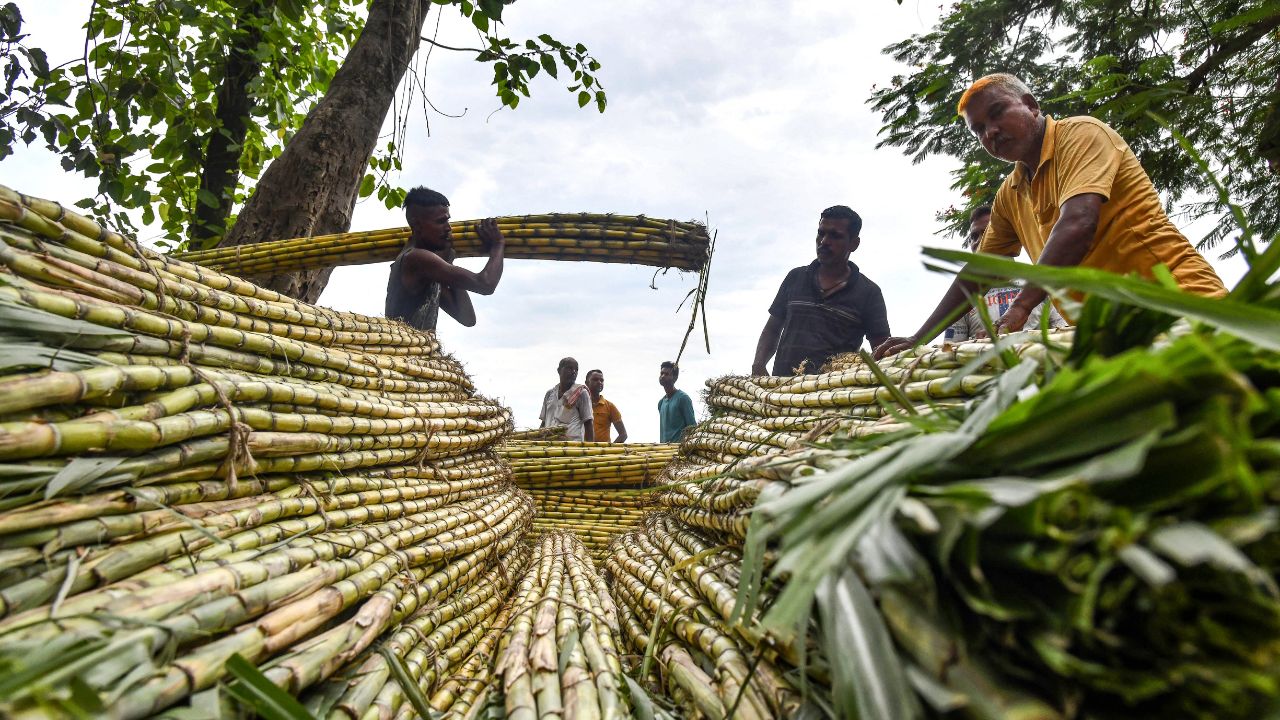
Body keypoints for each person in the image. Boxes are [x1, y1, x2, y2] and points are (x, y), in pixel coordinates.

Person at [876, 73, 1226, 359]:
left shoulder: (1082, 135)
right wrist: (918, 338)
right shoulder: (1009, 194)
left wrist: (1022, 307)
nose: (990, 132)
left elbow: (1079, 222)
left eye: (997, 113)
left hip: (1180, 303)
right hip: (1109, 334)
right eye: (979, 129)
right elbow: (980, 271)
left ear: (1030, 105)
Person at [752, 206, 890, 376]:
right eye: (821, 233)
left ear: (854, 243)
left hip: (831, 395)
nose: (824, 241)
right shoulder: (795, 277)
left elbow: (881, 349)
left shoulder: (869, 293)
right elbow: (772, 329)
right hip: (780, 391)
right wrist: (758, 365)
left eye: (835, 236)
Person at [385, 186, 506, 330]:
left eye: (447, 221)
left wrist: (448, 263)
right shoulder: (416, 258)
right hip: (407, 350)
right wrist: (498, 244)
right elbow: (485, 284)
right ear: (417, 224)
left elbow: (467, 318)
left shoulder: (428, 270)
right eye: (440, 221)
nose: (448, 228)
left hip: (417, 351)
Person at [945, 205, 1067, 342]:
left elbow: (1063, 336)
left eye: (986, 233)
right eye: (974, 236)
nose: (979, 241)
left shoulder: (1039, 283)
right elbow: (950, 351)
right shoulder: (964, 296)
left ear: (1008, 238)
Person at [540, 357, 594, 442]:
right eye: (569, 368)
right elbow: (543, 423)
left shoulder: (581, 393)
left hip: (572, 448)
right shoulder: (549, 394)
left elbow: (588, 423)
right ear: (559, 370)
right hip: (548, 446)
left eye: (576, 370)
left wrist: (590, 449)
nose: (573, 372)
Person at [657, 361, 696, 443]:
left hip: (678, 451)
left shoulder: (683, 398)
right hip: (663, 451)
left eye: (667, 374)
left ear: (675, 378)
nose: (663, 376)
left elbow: (692, 428)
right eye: (661, 373)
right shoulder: (661, 403)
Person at [586, 369, 628, 443]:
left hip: (602, 452)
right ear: (586, 383)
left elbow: (623, 434)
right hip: (581, 450)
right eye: (595, 379)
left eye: (601, 380)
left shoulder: (610, 406)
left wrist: (610, 449)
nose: (599, 382)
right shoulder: (580, 404)